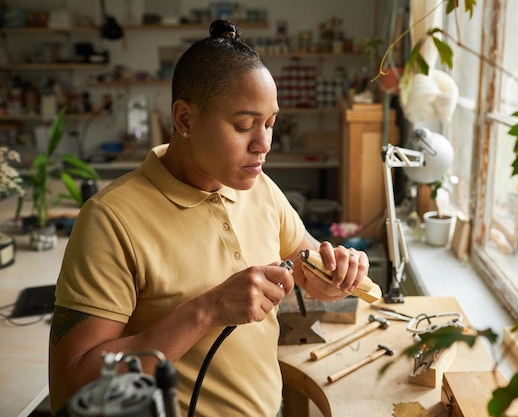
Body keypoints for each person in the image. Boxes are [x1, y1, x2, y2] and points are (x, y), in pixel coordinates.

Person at [48, 19, 370, 417]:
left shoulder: (260, 188)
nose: (264, 144)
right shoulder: (110, 220)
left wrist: (339, 274)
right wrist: (206, 310)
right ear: (184, 120)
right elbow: (73, 383)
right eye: (244, 125)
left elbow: (310, 275)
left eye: (270, 123)